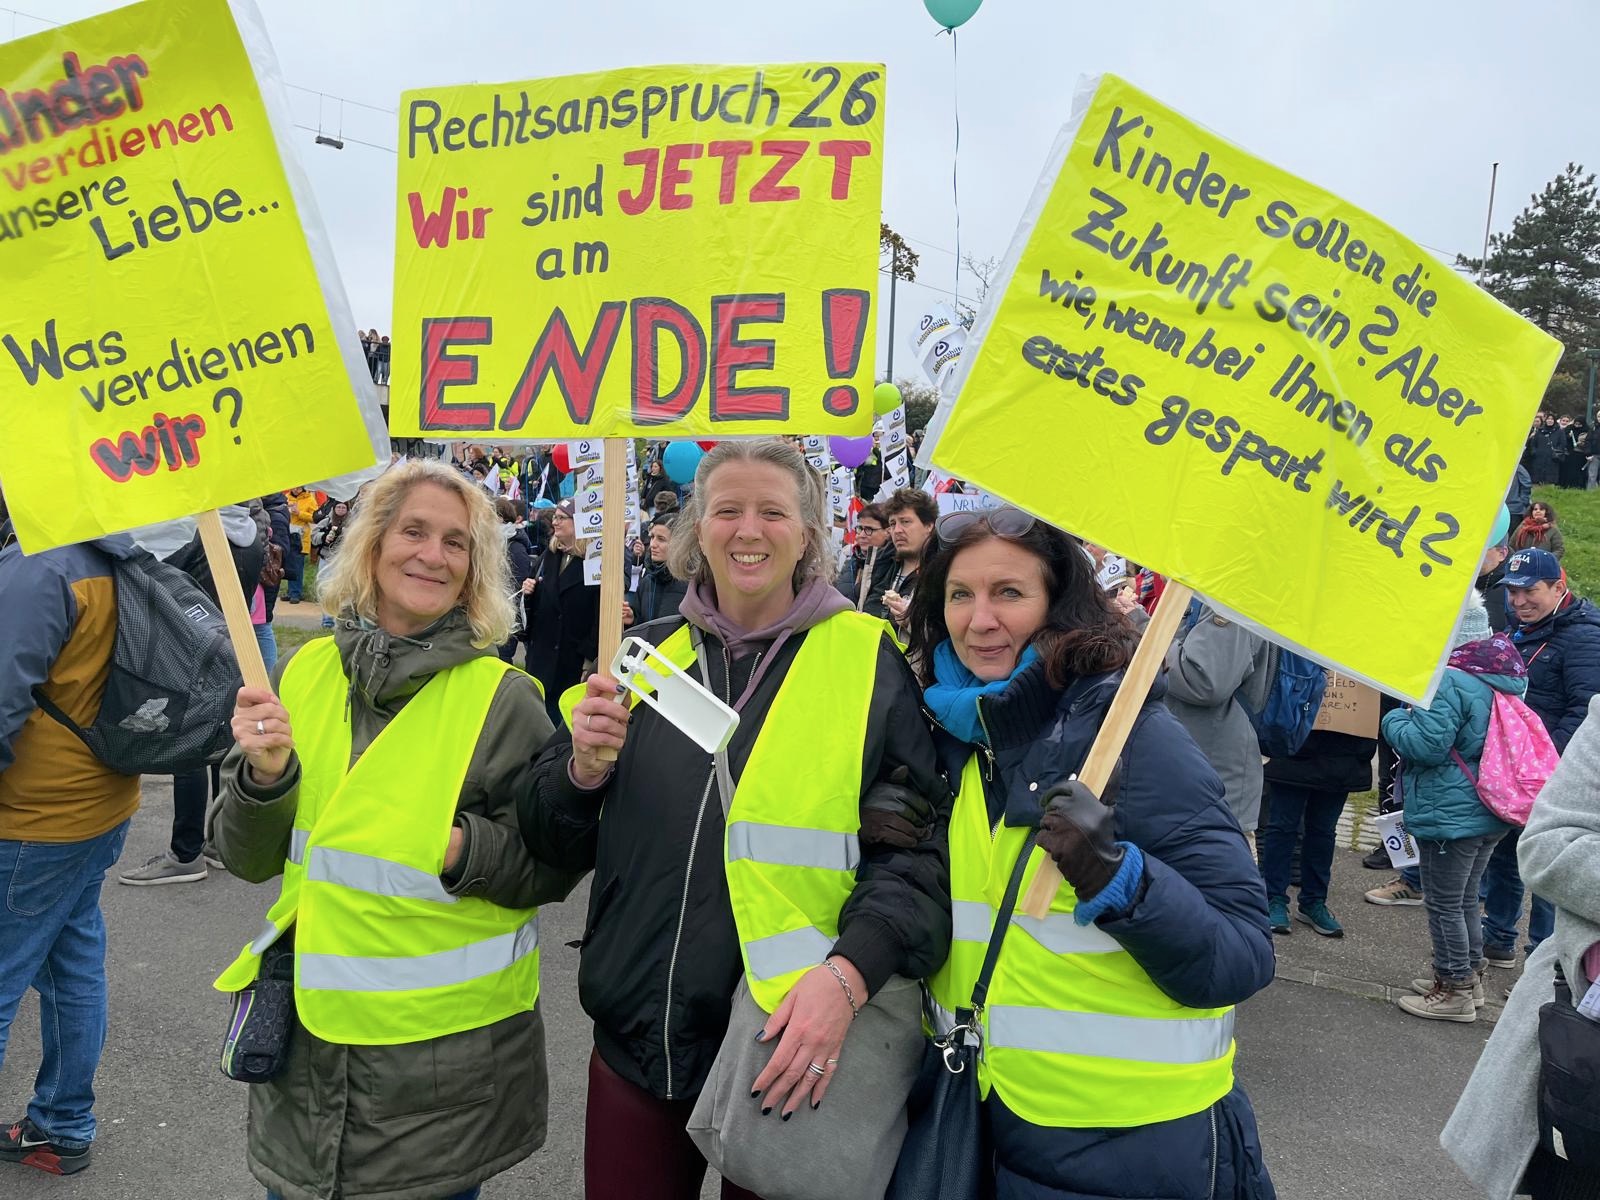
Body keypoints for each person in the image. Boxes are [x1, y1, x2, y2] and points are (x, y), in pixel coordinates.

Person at [517, 438, 949, 1200]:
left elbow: (913, 856)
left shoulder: (865, 658)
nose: (748, 530)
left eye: (773, 511)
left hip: (785, 1044)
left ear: (810, 534)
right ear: (698, 530)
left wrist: (849, 978)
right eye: (727, 510)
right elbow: (551, 836)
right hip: (639, 1038)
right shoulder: (642, 656)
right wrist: (581, 771)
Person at [211, 460, 578, 1200]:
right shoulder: (302, 673)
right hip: (306, 1066)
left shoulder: (505, 700)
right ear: (373, 545)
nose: (432, 555)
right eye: (413, 530)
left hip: (440, 1085)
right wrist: (265, 777)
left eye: (456, 542)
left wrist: (459, 848)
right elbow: (244, 859)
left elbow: (552, 865)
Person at [905, 505, 1276, 1200]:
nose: (980, 620)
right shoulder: (952, 732)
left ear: (1057, 604)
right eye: (961, 594)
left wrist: (1120, 879)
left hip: (1130, 1142)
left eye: (1008, 593)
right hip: (985, 1116)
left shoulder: (1132, 738)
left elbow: (1243, 955)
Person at [0, 491, 138, 1177]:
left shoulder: (39, 566)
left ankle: (63, 1123)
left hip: (30, 816)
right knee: (72, 967)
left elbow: (0, 700)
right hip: (100, 802)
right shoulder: (117, 552)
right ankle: (61, 1126)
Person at [1443, 695, 1600, 1198]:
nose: (1519, 606)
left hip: (1476, 806)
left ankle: (1467, 973)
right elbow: (1550, 842)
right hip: (1586, 1051)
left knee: (1470, 894)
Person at [1381, 595, 1521, 1022]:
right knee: (1463, 901)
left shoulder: (1451, 680)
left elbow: (1426, 746)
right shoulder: (1499, 676)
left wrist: (1392, 720)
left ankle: (1454, 988)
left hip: (1451, 811)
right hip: (1486, 807)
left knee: (1444, 903)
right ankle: (1469, 976)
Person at [1485, 547, 1600, 968]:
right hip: (1516, 772)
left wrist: (1544, 765)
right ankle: (1498, 937)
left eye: (1529, 591)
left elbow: (1586, 711)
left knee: (1551, 871)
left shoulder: (1586, 635)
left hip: (1552, 776)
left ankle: (1545, 960)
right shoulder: (1522, 628)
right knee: (1507, 857)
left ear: (1557, 586)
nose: (1518, 602)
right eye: (1512, 593)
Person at [1162, 601, 1270, 843]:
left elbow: (1203, 680)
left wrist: (1141, 626)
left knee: (1215, 875)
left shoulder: (1231, 595)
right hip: (1191, 778)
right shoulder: (1206, 592)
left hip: (1212, 786)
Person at [880, 487, 937, 632]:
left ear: (929, 526)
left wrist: (911, 622)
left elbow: (945, 634)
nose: (897, 530)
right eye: (892, 524)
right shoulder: (880, 564)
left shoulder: (941, 573)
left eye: (905, 522)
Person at [835, 502, 895, 617]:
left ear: (888, 532)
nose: (861, 535)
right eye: (859, 528)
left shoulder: (893, 564)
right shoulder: (852, 558)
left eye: (869, 529)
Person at [628, 513, 687, 626]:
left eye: (661, 539)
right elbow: (641, 624)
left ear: (679, 543)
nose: (653, 544)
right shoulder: (646, 582)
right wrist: (632, 619)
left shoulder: (693, 584)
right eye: (652, 537)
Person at [496, 497, 535, 664]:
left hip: (505, 617)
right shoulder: (494, 543)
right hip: (490, 612)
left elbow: (517, 587)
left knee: (500, 660)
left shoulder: (515, 548)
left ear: (503, 518)